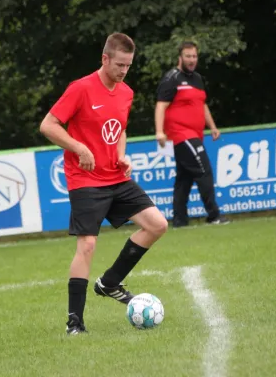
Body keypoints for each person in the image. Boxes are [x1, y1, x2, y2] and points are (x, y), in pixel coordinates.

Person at [39, 32, 168, 335]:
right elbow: (47, 125)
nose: (123, 71)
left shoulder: (126, 92)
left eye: (128, 66)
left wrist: (123, 156)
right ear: (105, 58)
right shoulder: (80, 89)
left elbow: (120, 129)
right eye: (119, 65)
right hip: (85, 179)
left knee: (157, 224)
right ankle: (75, 323)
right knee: (87, 244)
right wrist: (79, 148)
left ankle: (110, 282)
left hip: (116, 176)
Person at [154, 41, 230, 228]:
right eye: (188, 56)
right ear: (180, 57)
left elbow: (202, 104)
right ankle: (214, 215)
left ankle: (179, 221)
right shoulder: (172, 78)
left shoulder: (197, 79)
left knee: (184, 179)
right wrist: (159, 131)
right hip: (181, 134)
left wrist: (212, 126)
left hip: (196, 134)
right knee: (204, 171)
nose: (191, 60)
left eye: (194, 56)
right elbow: (160, 106)